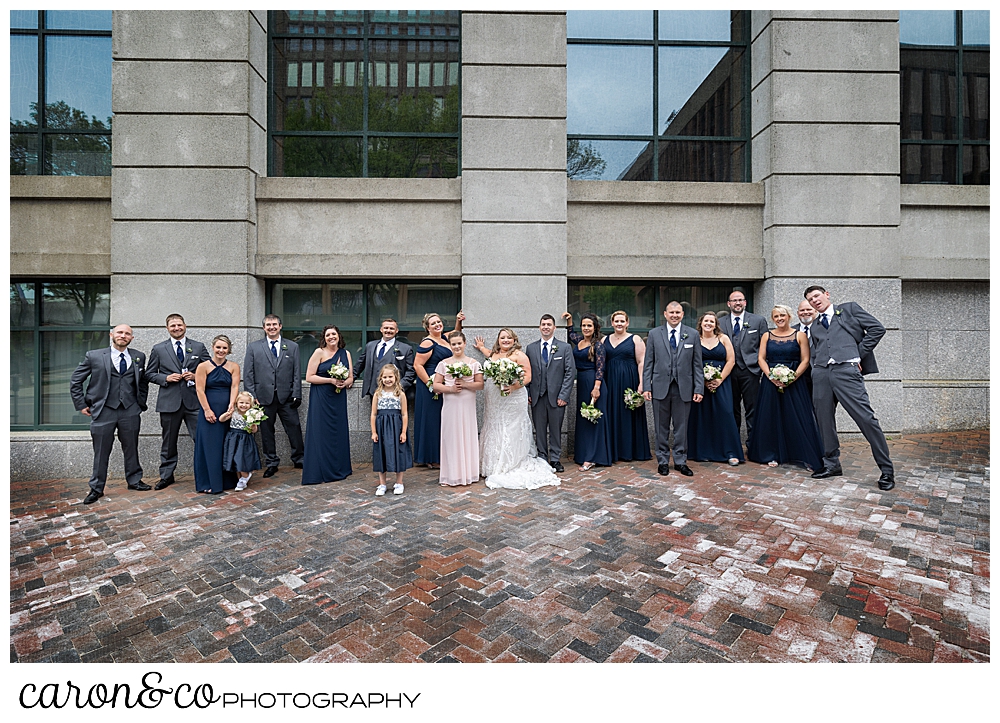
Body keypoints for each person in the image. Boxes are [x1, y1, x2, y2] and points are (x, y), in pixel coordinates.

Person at [805, 285, 895, 490]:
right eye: (810, 299)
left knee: (866, 419)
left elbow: (877, 329)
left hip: (846, 372)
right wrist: (816, 370)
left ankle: (887, 471)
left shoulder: (849, 309)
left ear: (826, 294)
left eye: (817, 296)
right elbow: (817, 349)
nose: (814, 301)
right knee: (824, 421)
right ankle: (831, 464)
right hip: (821, 374)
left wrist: (857, 354)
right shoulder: (815, 325)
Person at [70, 324, 151, 504]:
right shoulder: (95, 356)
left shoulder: (138, 356)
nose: (123, 336)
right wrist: (81, 404)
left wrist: (140, 403)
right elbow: (76, 380)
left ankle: (134, 480)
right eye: (120, 332)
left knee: (131, 447)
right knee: (101, 451)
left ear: (132, 338)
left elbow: (142, 382)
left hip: (130, 410)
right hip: (103, 410)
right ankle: (96, 488)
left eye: (127, 334)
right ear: (111, 335)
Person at [473, 328, 560, 489]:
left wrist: (513, 387)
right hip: (494, 398)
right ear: (498, 340)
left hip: (513, 397)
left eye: (509, 338)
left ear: (514, 340)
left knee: (512, 427)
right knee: (494, 424)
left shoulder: (519, 355)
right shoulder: (494, 354)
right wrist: (480, 347)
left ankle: (511, 462)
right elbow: (488, 355)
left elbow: (528, 377)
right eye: (502, 338)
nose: (505, 340)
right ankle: (492, 462)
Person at [746, 306, 823, 471]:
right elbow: (761, 358)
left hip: (794, 382)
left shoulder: (799, 335)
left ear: (789, 316)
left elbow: (805, 359)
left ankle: (801, 453)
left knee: (796, 416)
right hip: (770, 382)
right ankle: (771, 453)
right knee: (770, 417)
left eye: (782, 315)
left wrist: (791, 378)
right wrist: (771, 376)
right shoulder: (767, 335)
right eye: (776, 316)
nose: (779, 318)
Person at [145, 313, 210, 490]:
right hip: (169, 401)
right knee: (168, 441)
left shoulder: (198, 347)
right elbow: (149, 373)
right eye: (173, 326)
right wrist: (166, 378)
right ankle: (166, 476)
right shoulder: (159, 348)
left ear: (185, 325)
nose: (176, 328)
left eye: (179, 325)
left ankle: (205, 474)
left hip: (194, 402)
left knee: (202, 439)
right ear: (167, 328)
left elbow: (211, 370)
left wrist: (196, 376)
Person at [642, 301, 704, 476]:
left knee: (681, 427)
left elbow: (697, 365)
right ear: (665, 314)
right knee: (661, 427)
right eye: (672, 312)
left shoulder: (692, 335)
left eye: (678, 312)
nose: (675, 315)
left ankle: (680, 460)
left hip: (684, 388)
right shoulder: (654, 334)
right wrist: (647, 386)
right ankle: (662, 461)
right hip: (660, 387)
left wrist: (698, 389)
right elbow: (648, 363)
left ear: (683, 314)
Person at [243, 314, 304, 477]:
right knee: (266, 431)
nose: (272, 327)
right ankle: (271, 462)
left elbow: (297, 372)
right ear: (264, 328)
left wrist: (297, 393)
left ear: (280, 326)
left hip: (287, 397)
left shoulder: (292, 346)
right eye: (268, 325)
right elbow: (248, 373)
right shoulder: (254, 347)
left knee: (294, 428)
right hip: (262, 398)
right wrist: (251, 396)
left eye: (274, 324)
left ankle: (299, 459)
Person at [687, 311, 744, 466]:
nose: (709, 324)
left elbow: (731, 360)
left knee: (725, 413)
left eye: (712, 321)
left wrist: (719, 379)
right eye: (706, 321)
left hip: (722, 382)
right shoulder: (695, 339)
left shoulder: (723, 338)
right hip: (700, 383)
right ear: (701, 323)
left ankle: (730, 452)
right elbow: (690, 361)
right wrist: (702, 381)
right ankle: (703, 452)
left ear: (716, 324)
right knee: (702, 416)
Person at [301, 325, 353, 485]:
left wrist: (345, 383)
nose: (331, 337)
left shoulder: (346, 353)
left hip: (338, 398)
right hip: (321, 397)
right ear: (324, 337)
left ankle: (339, 467)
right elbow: (309, 377)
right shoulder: (319, 352)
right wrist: (330, 380)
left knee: (337, 431)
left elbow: (351, 377)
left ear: (339, 336)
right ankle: (319, 469)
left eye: (334, 334)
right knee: (320, 431)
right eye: (328, 335)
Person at [524, 314, 576, 472]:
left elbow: (570, 372)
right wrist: (528, 393)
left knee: (555, 429)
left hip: (557, 397)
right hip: (537, 396)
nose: (546, 327)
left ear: (554, 327)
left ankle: (555, 458)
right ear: (539, 327)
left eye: (549, 324)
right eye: (543, 324)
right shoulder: (531, 348)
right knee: (539, 429)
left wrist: (564, 395)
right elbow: (527, 372)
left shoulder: (565, 347)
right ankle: (541, 457)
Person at [412, 311, 464, 468]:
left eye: (439, 322)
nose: (437, 324)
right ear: (427, 327)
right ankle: (431, 458)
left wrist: (458, 320)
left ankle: (439, 455)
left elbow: (457, 334)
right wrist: (431, 384)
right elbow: (417, 365)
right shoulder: (427, 343)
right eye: (433, 323)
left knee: (441, 419)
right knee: (432, 420)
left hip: (442, 383)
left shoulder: (444, 338)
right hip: (429, 384)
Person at [563, 312, 612, 471]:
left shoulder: (598, 345)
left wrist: (596, 388)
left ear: (595, 327)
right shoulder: (580, 341)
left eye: (589, 325)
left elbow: (601, 368)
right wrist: (570, 320)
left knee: (593, 419)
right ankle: (583, 454)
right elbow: (571, 334)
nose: (586, 328)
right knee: (584, 418)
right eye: (583, 325)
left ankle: (592, 457)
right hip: (582, 383)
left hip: (593, 383)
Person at [717, 290, 768, 442]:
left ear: (745, 302)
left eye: (740, 300)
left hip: (750, 371)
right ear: (729, 304)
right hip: (728, 372)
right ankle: (734, 445)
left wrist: (760, 368)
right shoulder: (721, 322)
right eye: (734, 300)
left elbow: (765, 346)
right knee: (731, 410)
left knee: (753, 409)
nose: (737, 303)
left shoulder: (758, 321)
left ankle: (753, 444)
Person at [433, 331, 483, 487]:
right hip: (450, 404)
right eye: (453, 344)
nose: (456, 346)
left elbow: (480, 384)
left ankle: (469, 473)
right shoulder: (443, 364)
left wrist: (465, 384)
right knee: (451, 436)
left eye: (459, 343)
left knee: (467, 435)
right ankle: (451, 475)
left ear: (465, 343)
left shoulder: (474, 363)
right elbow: (436, 385)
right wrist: (451, 389)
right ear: (450, 345)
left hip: (467, 404)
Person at [601, 310, 651, 463]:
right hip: (610, 381)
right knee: (612, 413)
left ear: (627, 323)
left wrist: (642, 384)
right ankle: (614, 450)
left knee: (628, 415)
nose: (619, 324)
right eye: (616, 321)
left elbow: (642, 362)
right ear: (612, 323)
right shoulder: (604, 340)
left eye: (622, 321)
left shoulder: (635, 339)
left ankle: (630, 450)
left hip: (629, 381)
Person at [193, 335, 240, 494]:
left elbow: (234, 387)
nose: (221, 351)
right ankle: (209, 482)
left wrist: (232, 405)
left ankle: (227, 481)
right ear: (213, 347)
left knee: (226, 445)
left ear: (229, 350)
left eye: (224, 348)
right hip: (209, 409)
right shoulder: (203, 366)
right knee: (210, 446)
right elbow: (199, 389)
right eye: (218, 347)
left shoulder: (234, 366)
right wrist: (207, 409)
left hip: (227, 411)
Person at [370, 363, 412, 497]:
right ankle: (382, 484)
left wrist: (404, 432)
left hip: (396, 427)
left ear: (396, 377)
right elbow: (373, 414)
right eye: (385, 377)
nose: (388, 379)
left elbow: (404, 414)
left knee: (399, 452)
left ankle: (399, 482)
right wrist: (374, 432)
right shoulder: (377, 394)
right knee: (381, 453)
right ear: (381, 378)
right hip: (381, 428)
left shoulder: (400, 394)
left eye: (390, 377)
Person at [355, 317, 416, 405]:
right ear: (381, 329)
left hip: (395, 393)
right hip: (373, 391)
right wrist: (350, 378)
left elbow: (411, 371)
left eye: (392, 328)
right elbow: (360, 364)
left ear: (396, 331)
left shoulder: (405, 348)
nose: (388, 330)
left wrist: (400, 386)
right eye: (386, 328)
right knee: (375, 417)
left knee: (395, 418)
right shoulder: (370, 346)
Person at [223, 391, 263, 491]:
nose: (244, 405)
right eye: (241, 402)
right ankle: (240, 480)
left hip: (244, 440)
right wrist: (227, 414)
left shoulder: (251, 415)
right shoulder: (234, 413)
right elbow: (221, 419)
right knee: (234, 462)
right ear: (236, 403)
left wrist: (253, 425)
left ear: (251, 404)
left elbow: (254, 430)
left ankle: (244, 478)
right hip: (233, 439)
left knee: (240, 460)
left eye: (246, 403)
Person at [794, 300, 816, 396]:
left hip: (818, 376)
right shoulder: (791, 331)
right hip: (797, 377)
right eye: (802, 310)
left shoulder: (825, 328)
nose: (805, 312)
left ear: (816, 311)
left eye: (809, 309)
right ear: (798, 313)